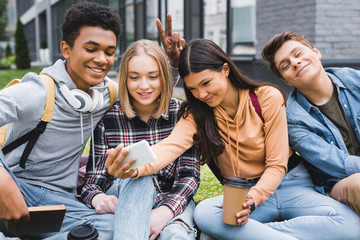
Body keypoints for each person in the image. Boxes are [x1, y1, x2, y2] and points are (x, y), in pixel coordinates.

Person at [106, 38, 360, 240]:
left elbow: (277, 164)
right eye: (193, 88)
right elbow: (166, 149)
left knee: (350, 227)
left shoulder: (266, 97)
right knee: (206, 214)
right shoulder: (197, 115)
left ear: (225, 69)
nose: (201, 93)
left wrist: (254, 198)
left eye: (206, 83)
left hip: (292, 184)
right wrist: (134, 165)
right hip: (241, 191)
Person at [0, 3, 178, 240]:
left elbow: (147, 91)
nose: (101, 59)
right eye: (91, 49)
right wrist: (3, 182)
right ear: (66, 49)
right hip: (19, 187)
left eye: (109, 51)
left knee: (117, 227)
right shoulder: (39, 92)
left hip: (60, 201)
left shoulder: (107, 93)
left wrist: (174, 64)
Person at [81, 39, 200, 240]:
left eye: (153, 77)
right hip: (126, 197)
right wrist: (97, 197)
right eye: (134, 77)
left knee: (175, 234)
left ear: (164, 76)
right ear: (125, 80)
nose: (144, 86)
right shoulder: (109, 120)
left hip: (172, 200)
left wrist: (165, 212)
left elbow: (188, 177)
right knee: (140, 175)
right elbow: (93, 183)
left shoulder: (181, 115)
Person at [261, 31, 360, 216]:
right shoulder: (292, 119)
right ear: (286, 80)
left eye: (298, 54)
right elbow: (336, 163)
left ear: (316, 52)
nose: (295, 62)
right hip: (340, 183)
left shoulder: (354, 79)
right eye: (285, 65)